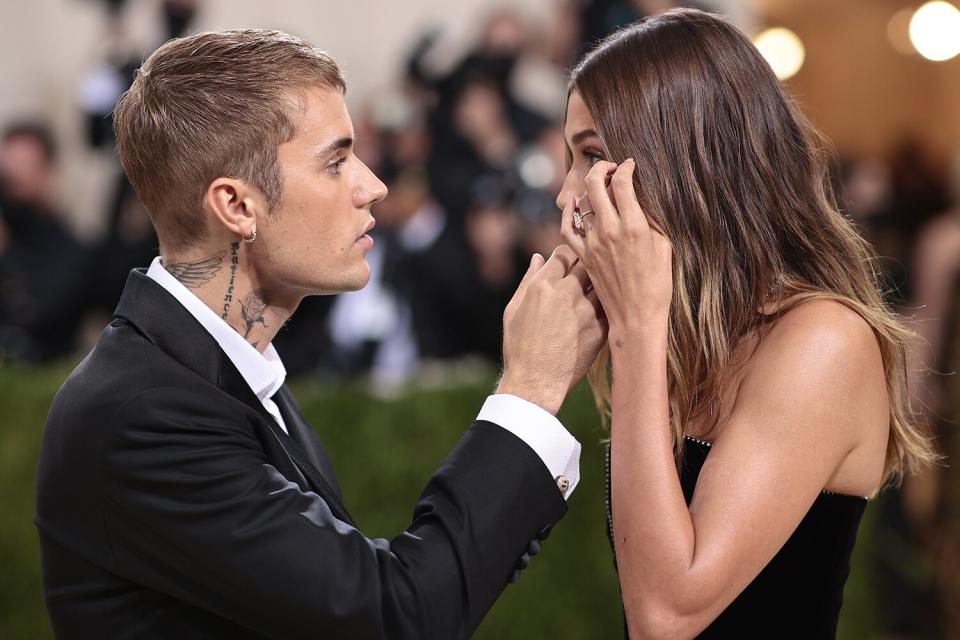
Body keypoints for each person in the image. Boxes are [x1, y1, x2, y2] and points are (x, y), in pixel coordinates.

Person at [34, 29, 607, 639]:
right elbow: (393, 617)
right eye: (335, 161)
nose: (374, 185)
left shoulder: (220, 375)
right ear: (237, 207)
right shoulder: (144, 415)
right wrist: (529, 391)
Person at [554, 9, 937, 639]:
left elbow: (665, 615)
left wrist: (638, 329)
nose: (569, 193)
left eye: (592, 155)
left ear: (682, 157)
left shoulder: (823, 340)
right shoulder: (700, 338)